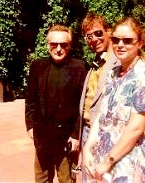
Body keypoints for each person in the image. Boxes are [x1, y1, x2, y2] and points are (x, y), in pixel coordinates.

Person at [82, 17, 145, 182]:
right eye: (116, 40)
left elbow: (136, 128)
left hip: (125, 161)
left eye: (128, 40)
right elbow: (102, 114)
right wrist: (88, 148)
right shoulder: (113, 72)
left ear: (139, 43)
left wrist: (108, 161)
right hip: (101, 158)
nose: (120, 45)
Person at [25, 24, 87, 183]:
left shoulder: (79, 67)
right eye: (54, 44)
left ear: (69, 46)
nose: (58, 49)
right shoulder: (37, 66)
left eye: (63, 45)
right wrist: (31, 125)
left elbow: (83, 105)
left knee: (66, 180)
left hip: (66, 139)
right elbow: (30, 100)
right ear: (48, 45)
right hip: (43, 136)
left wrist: (75, 135)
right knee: (41, 179)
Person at [75, 12, 118, 182]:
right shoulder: (96, 62)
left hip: (104, 133)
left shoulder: (118, 61)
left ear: (109, 31)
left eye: (98, 33)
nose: (94, 39)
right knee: (88, 178)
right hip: (87, 131)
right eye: (88, 36)